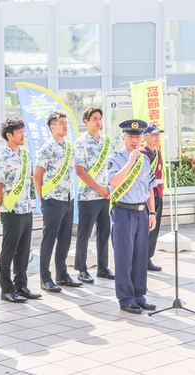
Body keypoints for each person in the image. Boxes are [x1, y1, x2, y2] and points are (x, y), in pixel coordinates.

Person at [107, 119, 158, 314]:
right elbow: (113, 181)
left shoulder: (145, 159)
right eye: (131, 136)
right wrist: (130, 162)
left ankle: (139, 295)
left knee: (140, 256)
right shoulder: (116, 157)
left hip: (141, 212)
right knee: (124, 257)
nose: (135, 140)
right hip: (123, 212)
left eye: (138, 136)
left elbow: (150, 188)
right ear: (123, 138)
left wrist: (151, 212)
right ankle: (126, 298)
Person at [0, 117, 42, 303]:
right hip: (11, 211)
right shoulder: (3, 158)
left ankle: (21, 286)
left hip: (26, 209)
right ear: (9, 135)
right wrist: (1, 207)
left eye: (23, 131)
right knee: (9, 251)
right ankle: (6, 290)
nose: (23, 135)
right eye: (19, 132)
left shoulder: (25, 154)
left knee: (23, 250)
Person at [34, 111, 82, 293]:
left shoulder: (69, 146)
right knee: (48, 240)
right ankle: (45, 279)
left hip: (68, 199)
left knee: (65, 239)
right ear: (52, 127)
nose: (65, 125)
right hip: (52, 200)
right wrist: (42, 199)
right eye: (61, 123)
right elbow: (37, 176)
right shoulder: (46, 149)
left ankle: (62, 275)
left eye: (66, 122)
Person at [73, 107, 115, 283]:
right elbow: (80, 171)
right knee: (85, 234)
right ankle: (81, 269)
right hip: (88, 196)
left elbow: (112, 167)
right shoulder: (80, 143)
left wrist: (108, 188)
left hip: (105, 194)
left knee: (104, 232)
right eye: (94, 119)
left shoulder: (107, 142)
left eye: (100, 118)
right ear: (86, 121)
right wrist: (98, 188)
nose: (98, 122)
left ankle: (102, 267)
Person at [140, 124, 165, 271]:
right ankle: (141, 258)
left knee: (154, 229)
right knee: (144, 228)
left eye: (158, 134)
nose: (157, 137)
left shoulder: (158, 153)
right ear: (146, 137)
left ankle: (148, 258)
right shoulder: (142, 153)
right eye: (154, 134)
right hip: (145, 197)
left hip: (157, 195)